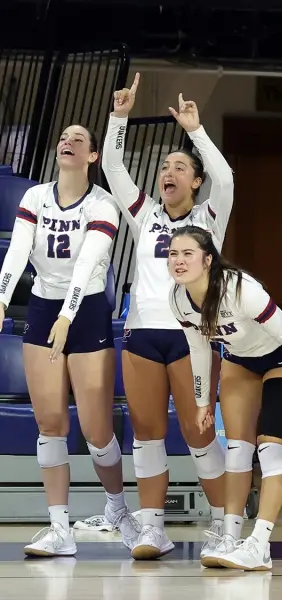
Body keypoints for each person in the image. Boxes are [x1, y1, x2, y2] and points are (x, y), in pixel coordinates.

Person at [102, 72, 232, 560]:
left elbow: (228, 178)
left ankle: (223, 525)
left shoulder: (210, 218)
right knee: (146, 433)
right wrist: (119, 117)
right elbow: (113, 169)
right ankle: (153, 528)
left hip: (193, 336)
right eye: (164, 166)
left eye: (179, 166)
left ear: (195, 181)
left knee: (199, 435)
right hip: (142, 336)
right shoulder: (145, 214)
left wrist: (195, 132)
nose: (168, 172)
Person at [0, 124, 140, 556]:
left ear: (93, 156)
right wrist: (2, 298)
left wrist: (69, 314)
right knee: (50, 424)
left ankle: (116, 508)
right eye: (63, 137)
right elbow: (18, 251)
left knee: (96, 429)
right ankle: (60, 529)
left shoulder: (103, 204)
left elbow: (88, 264)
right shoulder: (34, 197)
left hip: (87, 310)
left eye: (79, 139)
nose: (67, 142)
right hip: (43, 308)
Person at [167, 225, 282, 571]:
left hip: (280, 357)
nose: (178, 261)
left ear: (208, 260)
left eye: (187, 253)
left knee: (271, 449)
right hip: (240, 362)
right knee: (238, 449)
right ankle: (230, 536)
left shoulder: (239, 289)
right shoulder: (179, 299)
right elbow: (198, 349)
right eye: (173, 254)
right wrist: (203, 400)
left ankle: (260, 544)